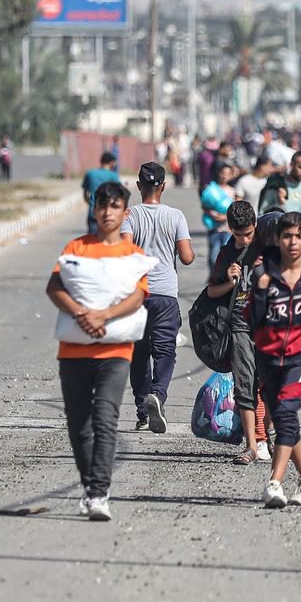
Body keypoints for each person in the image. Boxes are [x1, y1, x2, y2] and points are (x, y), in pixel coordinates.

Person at [45, 181, 148, 522]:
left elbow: (137, 296)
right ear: (94, 209)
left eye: (114, 206)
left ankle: (98, 492)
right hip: (73, 351)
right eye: (102, 206)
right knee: (79, 425)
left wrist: (104, 315)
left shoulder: (132, 254)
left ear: (125, 212)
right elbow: (54, 286)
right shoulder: (77, 247)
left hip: (115, 352)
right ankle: (90, 486)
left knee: (106, 419)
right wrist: (81, 314)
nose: (107, 212)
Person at [249, 212, 301, 509]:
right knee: (285, 418)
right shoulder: (264, 274)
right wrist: (259, 292)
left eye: (299, 236)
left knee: (285, 411)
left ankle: (274, 482)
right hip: (269, 355)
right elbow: (255, 320)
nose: (293, 242)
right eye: (287, 236)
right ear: (277, 239)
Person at [120, 162, 195, 432]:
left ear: (138, 186)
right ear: (164, 185)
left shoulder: (130, 216)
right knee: (165, 350)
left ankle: (142, 410)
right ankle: (158, 395)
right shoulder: (175, 216)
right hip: (165, 294)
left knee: (138, 353)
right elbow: (186, 258)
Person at [207, 201, 272, 465]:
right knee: (245, 384)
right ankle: (251, 446)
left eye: (248, 233)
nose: (244, 239)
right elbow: (211, 291)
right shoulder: (226, 253)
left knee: (270, 385)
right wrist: (229, 281)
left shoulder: (268, 247)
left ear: (256, 226)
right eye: (238, 235)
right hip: (240, 324)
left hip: (269, 323)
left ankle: (265, 433)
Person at [201, 163, 237, 269]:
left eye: (227, 174)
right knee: (213, 257)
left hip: (228, 229)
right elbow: (205, 206)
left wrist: (225, 217)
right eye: (223, 173)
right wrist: (211, 213)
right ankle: (213, 277)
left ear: (231, 176)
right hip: (214, 228)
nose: (224, 176)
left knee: (226, 256)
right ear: (219, 174)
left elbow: (235, 209)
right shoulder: (211, 189)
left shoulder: (232, 191)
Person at [82, 152, 121, 236]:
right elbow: (119, 195)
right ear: (111, 163)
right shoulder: (113, 176)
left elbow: (85, 194)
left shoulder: (90, 174)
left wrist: (91, 204)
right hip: (108, 214)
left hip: (93, 212)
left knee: (92, 243)